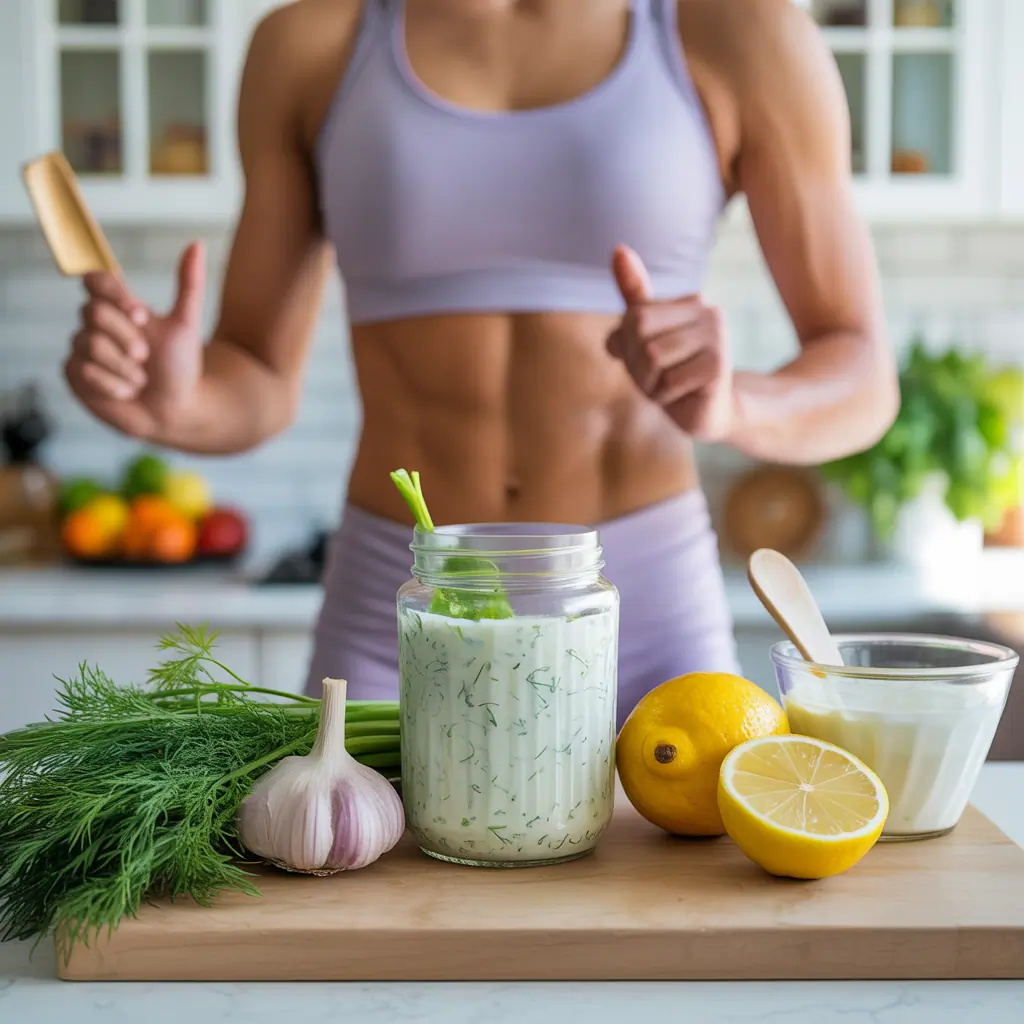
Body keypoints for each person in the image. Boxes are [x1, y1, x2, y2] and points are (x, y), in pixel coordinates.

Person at [63, 0, 898, 726]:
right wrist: (178, 403)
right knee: (353, 885)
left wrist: (736, 407)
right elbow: (255, 377)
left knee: (667, 905)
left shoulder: (740, 32)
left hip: (645, 609)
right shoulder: (310, 44)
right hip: (398, 601)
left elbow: (862, 374)